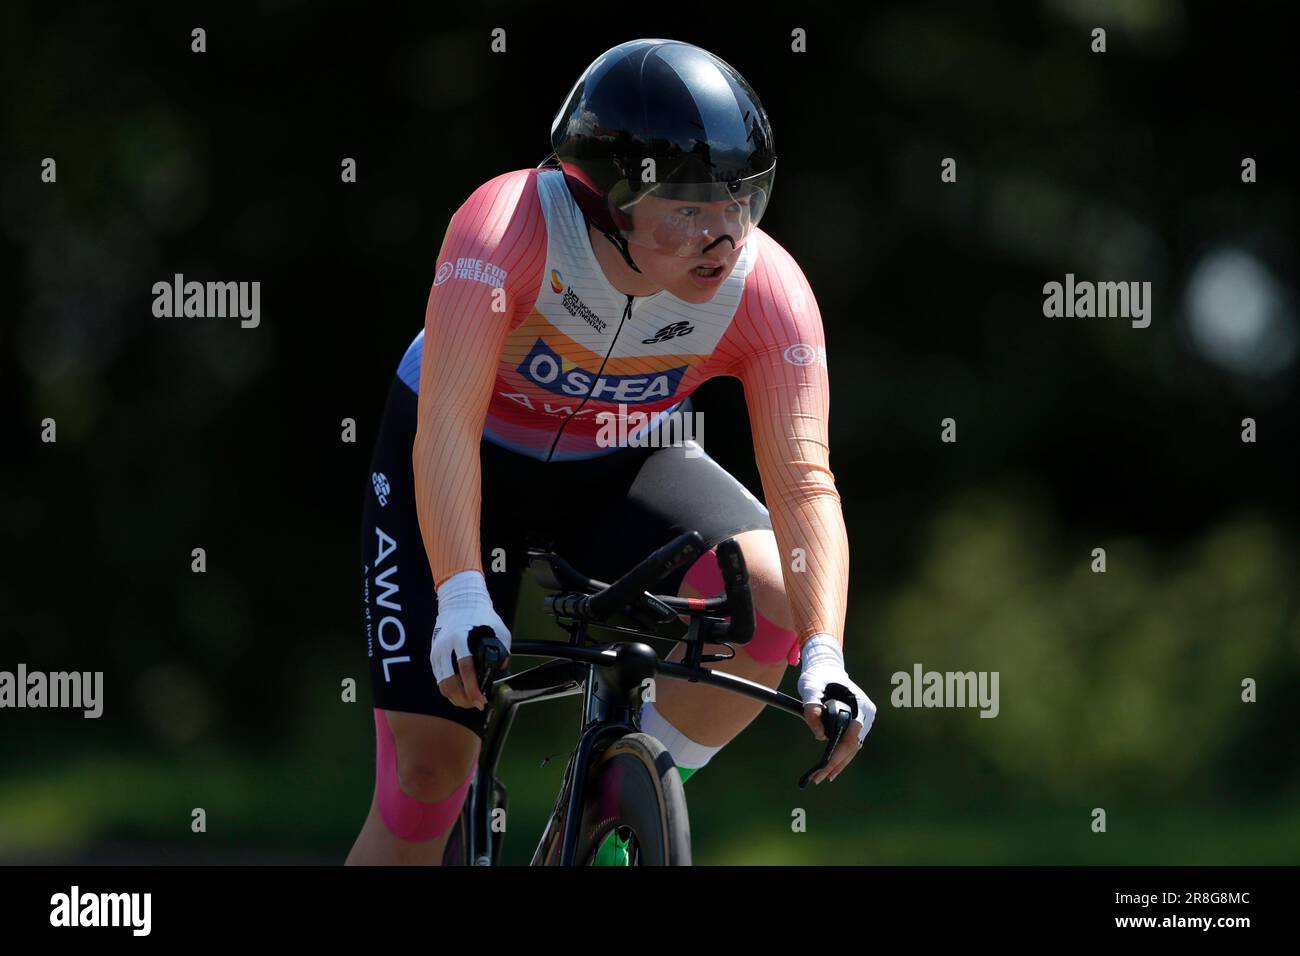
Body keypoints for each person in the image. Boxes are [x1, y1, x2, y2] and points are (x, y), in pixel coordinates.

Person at [346, 38, 875, 866]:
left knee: (773, 597)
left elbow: (805, 480)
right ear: (607, 201)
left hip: (617, 464)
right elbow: (446, 423)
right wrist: (458, 593)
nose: (723, 238)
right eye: (689, 209)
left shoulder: (766, 292)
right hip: (465, 455)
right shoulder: (508, 226)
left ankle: (605, 821)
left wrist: (826, 652)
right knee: (426, 780)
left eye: (742, 202)